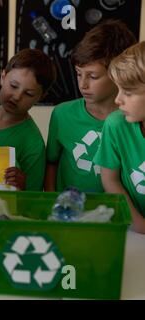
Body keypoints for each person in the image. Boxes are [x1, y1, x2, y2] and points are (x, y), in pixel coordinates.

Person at [45, 20, 136, 192]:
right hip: (69, 213)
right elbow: (51, 162)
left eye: (93, 77)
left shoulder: (133, 119)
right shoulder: (62, 114)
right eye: (79, 74)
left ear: (118, 73)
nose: (82, 85)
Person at [94, 41, 145, 233]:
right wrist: (139, 226)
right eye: (118, 89)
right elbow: (110, 179)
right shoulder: (116, 124)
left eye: (128, 92)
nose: (118, 100)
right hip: (133, 229)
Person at [0, 49, 56, 191]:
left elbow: (32, 197)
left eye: (28, 93)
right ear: (3, 77)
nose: (17, 96)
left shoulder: (32, 143)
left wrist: (22, 186)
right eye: (13, 86)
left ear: (41, 96)